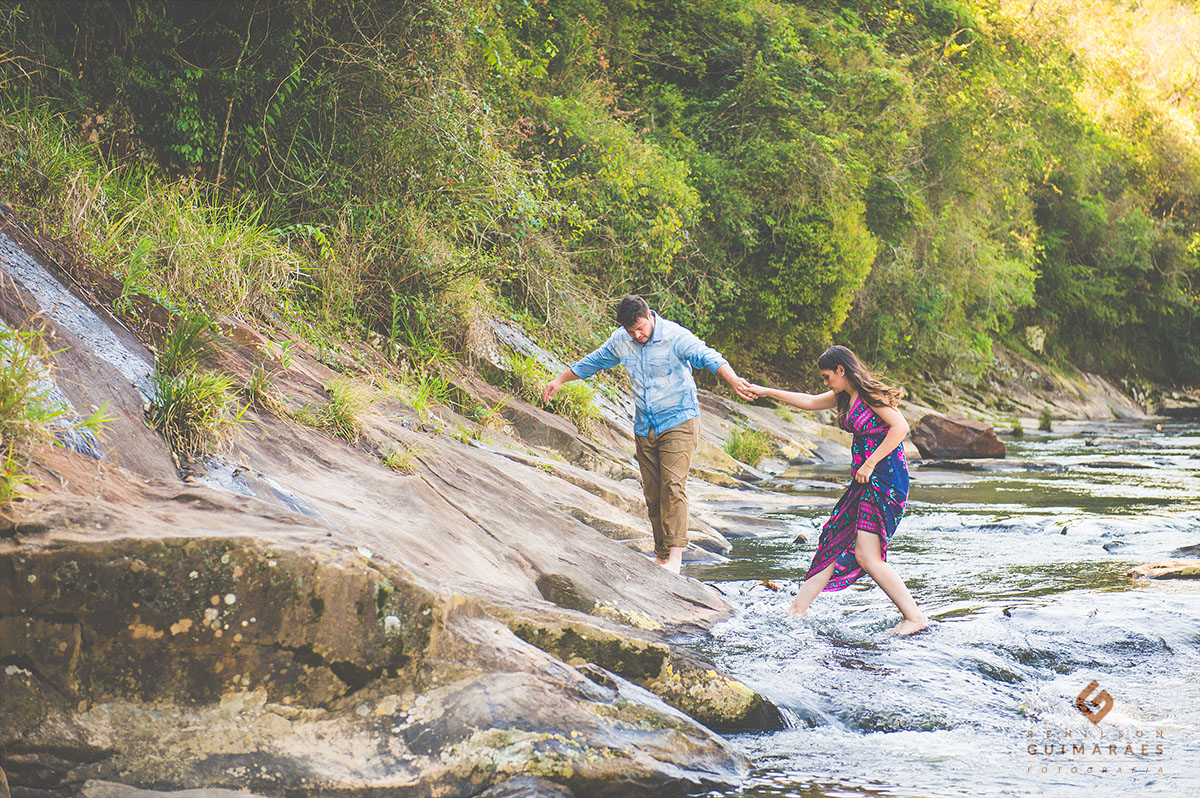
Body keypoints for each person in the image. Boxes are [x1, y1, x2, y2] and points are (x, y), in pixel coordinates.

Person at [543, 295, 755, 574]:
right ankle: (662, 555)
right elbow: (594, 361)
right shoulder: (621, 340)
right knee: (653, 492)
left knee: (672, 486)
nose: (637, 335)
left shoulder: (675, 336)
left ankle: (676, 558)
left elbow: (708, 356)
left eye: (640, 328)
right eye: (631, 331)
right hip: (646, 425)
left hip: (680, 420)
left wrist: (733, 380)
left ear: (649, 316)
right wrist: (559, 380)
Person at [744, 345, 927, 635]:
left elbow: (900, 428)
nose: (826, 383)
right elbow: (807, 401)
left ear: (841, 370)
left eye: (828, 377)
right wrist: (765, 391)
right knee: (833, 537)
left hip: (885, 478)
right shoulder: (844, 396)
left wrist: (869, 463)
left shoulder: (869, 396)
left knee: (867, 556)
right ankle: (797, 609)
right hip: (864, 480)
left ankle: (914, 618)